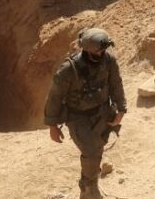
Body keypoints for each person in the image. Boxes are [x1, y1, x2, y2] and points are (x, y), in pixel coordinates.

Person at [44, 28, 127, 199]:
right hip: (78, 119)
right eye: (99, 51)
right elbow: (54, 97)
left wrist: (121, 108)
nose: (103, 53)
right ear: (88, 50)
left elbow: (116, 84)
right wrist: (52, 125)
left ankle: (90, 181)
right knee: (91, 152)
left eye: (104, 50)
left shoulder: (108, 60)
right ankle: (89, 189)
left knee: (98, 147)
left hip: (103, 112)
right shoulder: (69, 69)